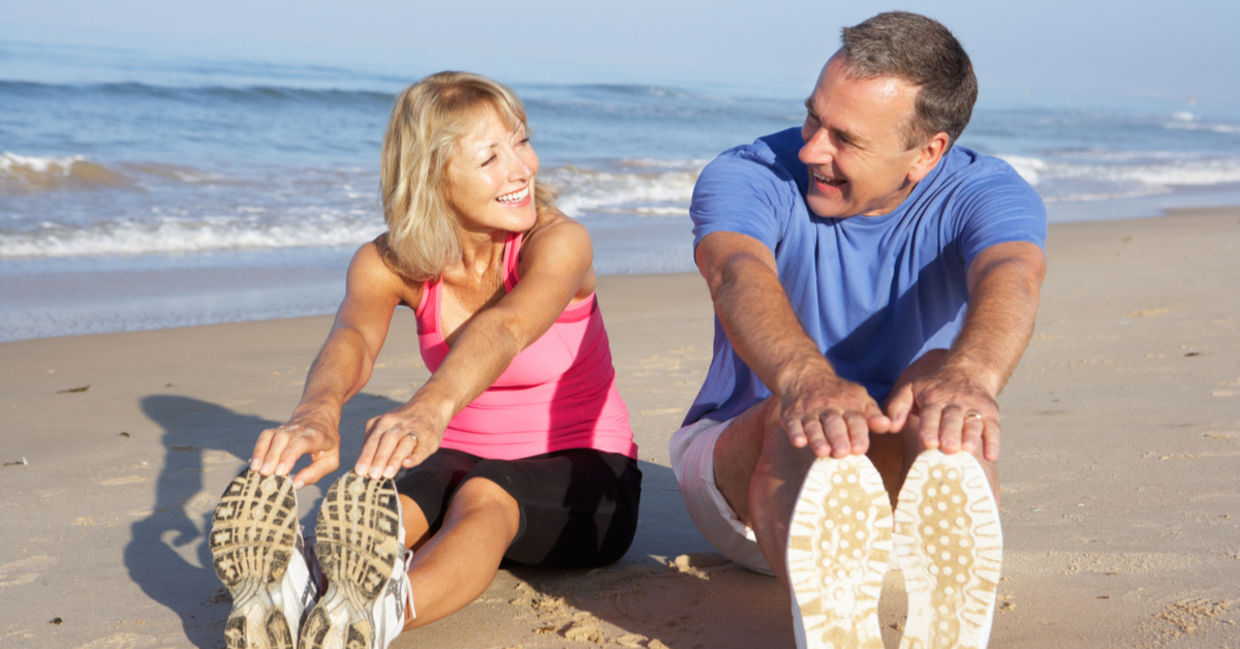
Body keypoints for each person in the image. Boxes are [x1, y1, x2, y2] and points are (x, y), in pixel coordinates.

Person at [208, 71, 641, 649]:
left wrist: (430, 408)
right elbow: (354, 336)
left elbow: (508, 328)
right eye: (491, 156)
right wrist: (317, 410)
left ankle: (377, 619)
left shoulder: (560, 242)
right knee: (387, 497)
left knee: (486, 491)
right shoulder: (389, 261)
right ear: (434, 176)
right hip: (457, 459)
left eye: (522, 141)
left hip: (590, 481)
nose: (523, 168)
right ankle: (304, 594)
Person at [670, 11, 1046, 649]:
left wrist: (972, 376)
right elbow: (735, 271)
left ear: (928, 152)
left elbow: (1013, 270)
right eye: (813, 116)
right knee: (800, 422)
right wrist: (803, 380)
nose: (812, 148)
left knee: (940, 388)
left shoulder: (986, 191)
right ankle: (825, 628)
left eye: (844, 138)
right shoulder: (750, 173)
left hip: (899, 498)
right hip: (745, 489)